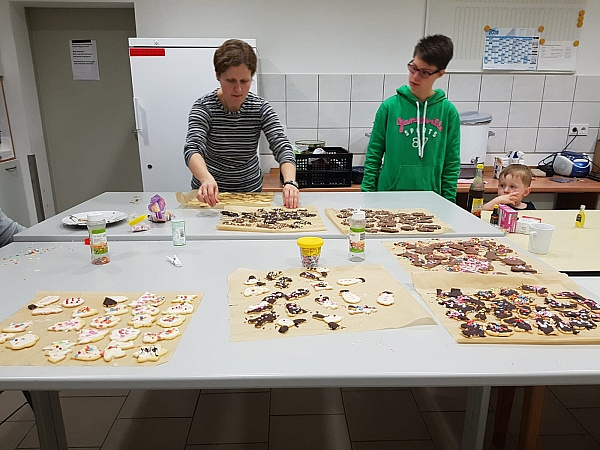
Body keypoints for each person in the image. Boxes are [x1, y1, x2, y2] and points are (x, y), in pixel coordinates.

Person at [183, 39, 299, 208]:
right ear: (218, 76)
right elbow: (192, 149)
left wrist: (290, 182)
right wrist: (206, 178)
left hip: (249, 193)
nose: (238, 89)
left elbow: (282, 147)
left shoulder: (260, 108)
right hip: (209, 195)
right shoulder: (204, 107)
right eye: (231, 81)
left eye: (244, 81)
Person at [361, 34, 460, 202]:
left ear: (440, 74)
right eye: (413, 67)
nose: (415, 76)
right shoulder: (389, 107)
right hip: (388, 197)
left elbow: (451, 163)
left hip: (432, 200)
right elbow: (374, 156)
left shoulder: (448, 112)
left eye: (424, 72)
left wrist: (449, 203)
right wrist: (367, 196)